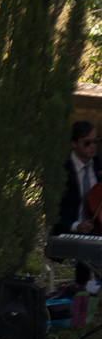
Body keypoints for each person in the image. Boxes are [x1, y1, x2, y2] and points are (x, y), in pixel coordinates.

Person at [53, 118, 101, 287]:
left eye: (96, 141)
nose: (93, 146)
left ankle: (92, 291)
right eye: (87, 143)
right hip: (72, 230)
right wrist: (76, 226)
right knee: (87, 243)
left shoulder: (98, 165)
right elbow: (55, 216)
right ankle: (85, 293)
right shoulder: (62, 172)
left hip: (98, 228)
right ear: (74, 144)